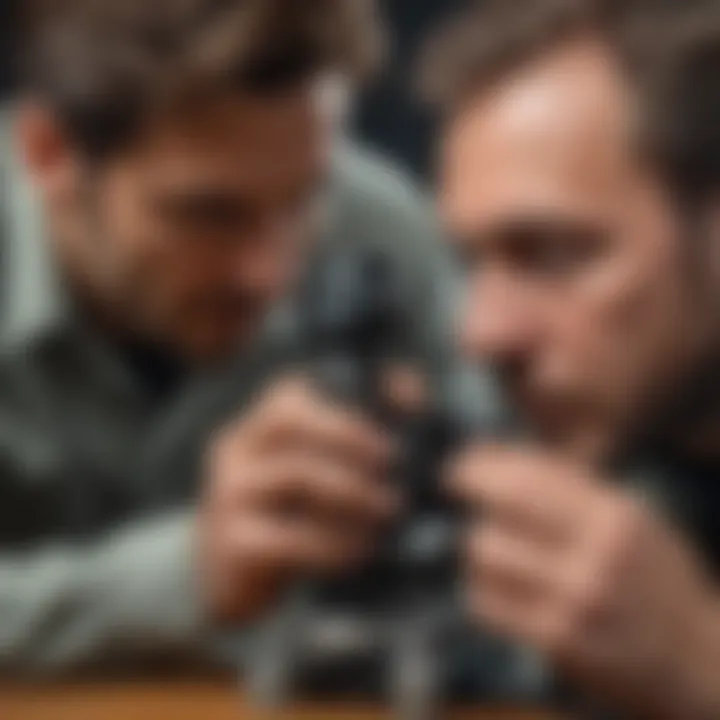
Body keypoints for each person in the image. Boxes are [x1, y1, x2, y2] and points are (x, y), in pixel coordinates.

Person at [0, 0, 457, 675]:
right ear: (49, 153)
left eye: (303, 202)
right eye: (209, 215)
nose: (273, 275)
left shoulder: (384, 236)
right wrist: (187, 574)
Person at [421, 0, 720, 716]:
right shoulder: (641, 459)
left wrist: (703, 666)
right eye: (473, 264)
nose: (484, 333)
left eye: (550, 255)